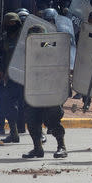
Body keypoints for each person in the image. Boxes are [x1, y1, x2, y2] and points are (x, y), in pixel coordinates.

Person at [22, 25, 68, 159]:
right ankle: (37, 148)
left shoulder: (50, 47)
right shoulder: (27, 48)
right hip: (33, 90)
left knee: (53, 121)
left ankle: (61, 147)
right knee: (32, 120)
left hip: (50, 89)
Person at [0, 13, 24, 144]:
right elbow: (4, 56)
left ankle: (39, 134)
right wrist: (2, 71)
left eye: (13, 23)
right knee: (8, 104)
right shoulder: (5, 38)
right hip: (11, 76)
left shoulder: (25, 36)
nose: (11, 25)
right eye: (8, 23)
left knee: (29, 105)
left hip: (25, 75)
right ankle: (14, 133)